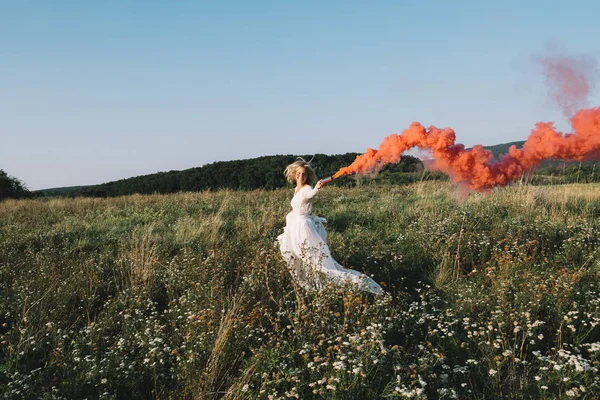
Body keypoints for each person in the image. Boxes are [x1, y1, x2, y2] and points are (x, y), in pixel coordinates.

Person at [277, 158, 383, 295]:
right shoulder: (297, 189)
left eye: (304, 174)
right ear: (294, 174)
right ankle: (313, 287)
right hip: (295, 227)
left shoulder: (307, 188)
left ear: (308, 176)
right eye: (298, 173)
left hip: (303, 228)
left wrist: (317, 188)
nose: (301, 176)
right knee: (299, 257)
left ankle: (359, 284)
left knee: (316, 262)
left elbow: (310, 195)